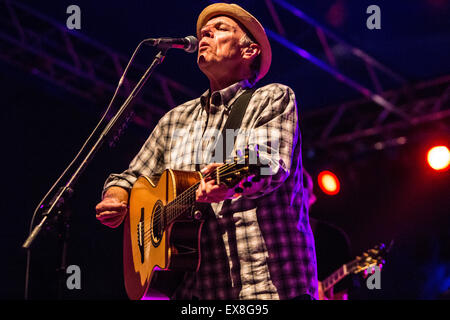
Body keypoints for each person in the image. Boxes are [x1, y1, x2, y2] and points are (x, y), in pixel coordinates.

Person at [95, 3, 318, 300]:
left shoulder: (271, 97)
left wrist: (230, 180)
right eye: (203, 32)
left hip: (264, 286)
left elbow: (268, 163)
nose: (205, 33)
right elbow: (130, 177)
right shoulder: (175, 120)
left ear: (250, 51)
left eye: (221, 29)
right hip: (194, 292)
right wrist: (116, 196)